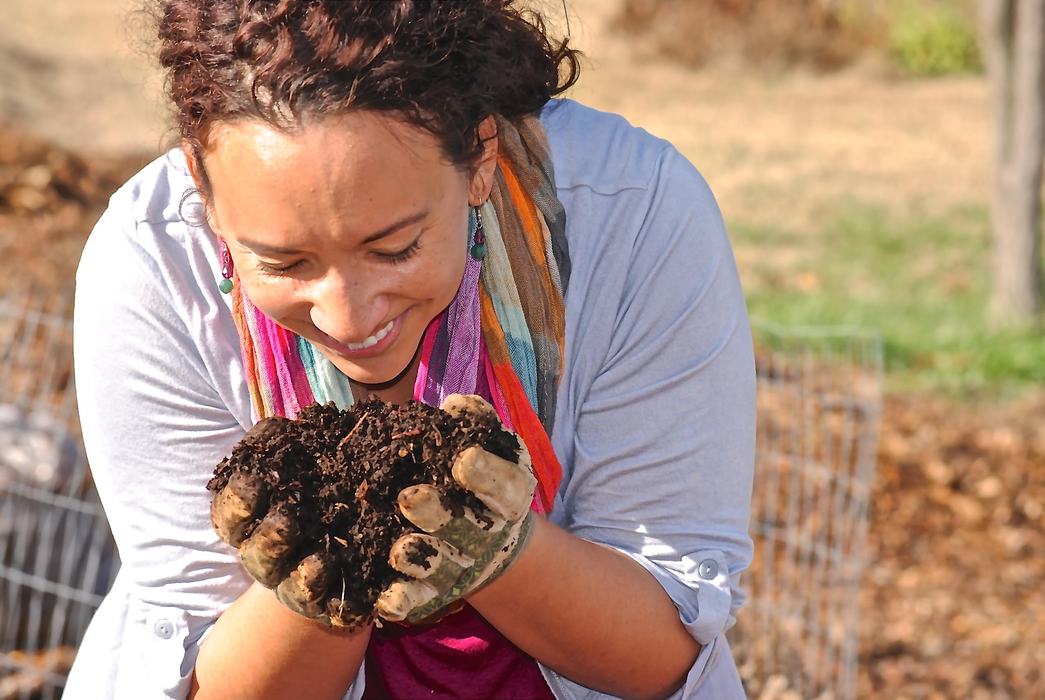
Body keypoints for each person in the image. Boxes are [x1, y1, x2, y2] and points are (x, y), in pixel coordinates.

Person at [67, 1, 756, 698]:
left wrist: (502, 554)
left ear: (480, 156)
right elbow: (203, 675)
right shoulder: (153, 263)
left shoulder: (630, 211)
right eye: (283, 263)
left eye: (394, 248)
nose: (349, 318)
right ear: (203, 187)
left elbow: (662, 652)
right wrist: (318, 587)